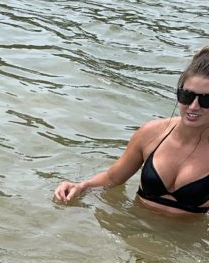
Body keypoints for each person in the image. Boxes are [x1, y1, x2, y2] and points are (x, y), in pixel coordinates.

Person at [54, 46, 209, 216]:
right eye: (187, 95)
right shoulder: (151, 133)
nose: (194, 106)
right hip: (132, 232)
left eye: (206, 100)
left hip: (182, 241)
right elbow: (113, 178)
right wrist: (81, 186)